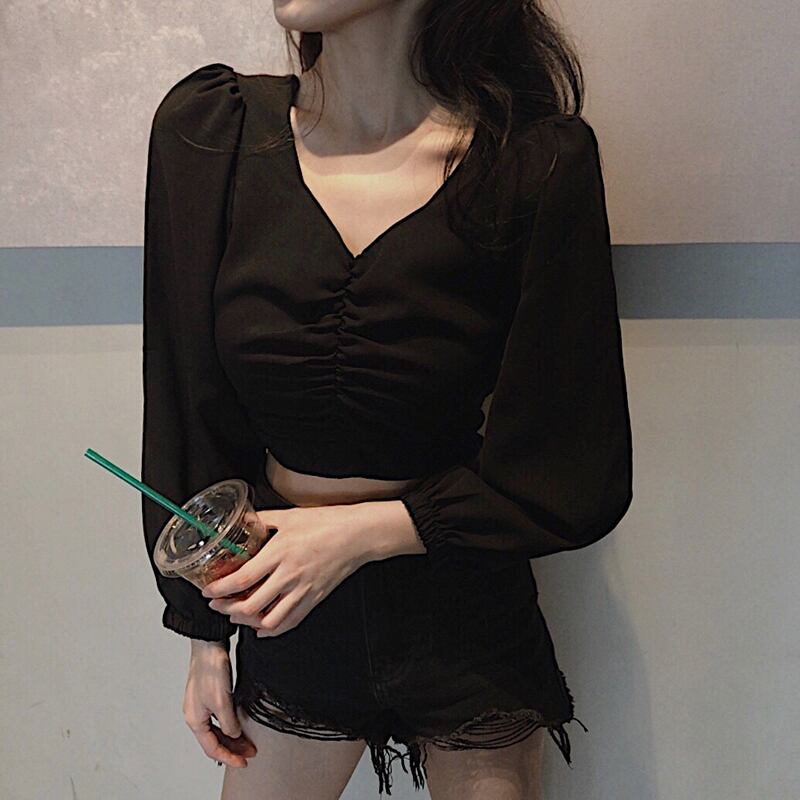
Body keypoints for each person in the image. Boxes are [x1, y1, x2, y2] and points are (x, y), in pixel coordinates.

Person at [141, 2, 633, 798]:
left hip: (463, 610)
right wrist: (204, 635)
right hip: (286, 610)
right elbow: (187, 394)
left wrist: (357, 535)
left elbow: (570, 461)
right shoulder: (213, 135)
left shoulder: (534, 163)